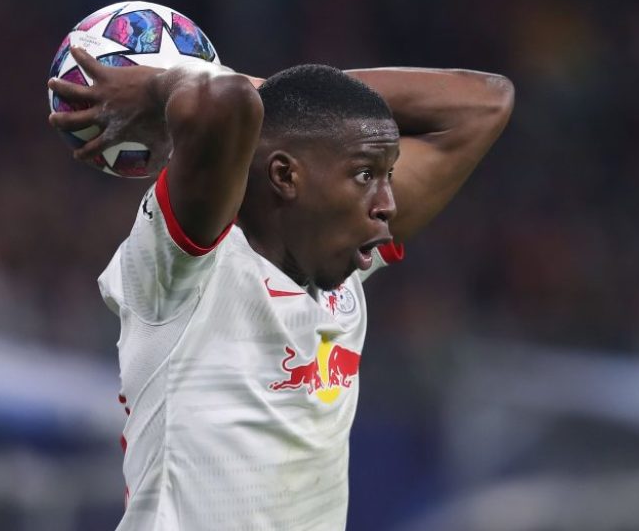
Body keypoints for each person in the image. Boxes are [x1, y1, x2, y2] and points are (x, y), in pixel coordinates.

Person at [47, 46, 513, 530]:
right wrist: (156, 87)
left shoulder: (343, 270)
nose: (387, 203)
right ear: (286, 175)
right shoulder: (185, 270)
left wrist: (294, 104)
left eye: (389, 175)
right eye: (365, 174)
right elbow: (224, 100)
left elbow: (485, 102)